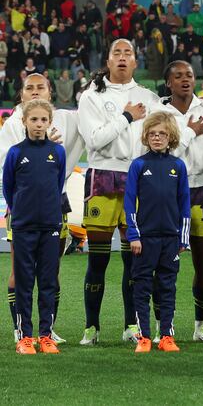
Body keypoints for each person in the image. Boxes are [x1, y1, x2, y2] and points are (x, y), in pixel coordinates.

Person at [77, 39, 159, 346]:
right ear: (108, 61)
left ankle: (130, 324)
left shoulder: (148, 96)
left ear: (136, 62)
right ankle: (91, 327)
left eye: (128, 53)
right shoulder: (91, 96)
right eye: (117, 53)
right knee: (97, 260)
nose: (123, 58)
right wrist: (125, 117)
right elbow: (96, 140)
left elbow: (168, 126)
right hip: (102, 176)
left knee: (133, 260)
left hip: (137, 177)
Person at [0, 73, 84, 345]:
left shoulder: (64, 122)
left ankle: (48, 330)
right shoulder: (11, 126)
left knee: (51, 272)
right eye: (29, 88)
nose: (35, 92)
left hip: (53, 206)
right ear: (21, 95)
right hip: (22, 209)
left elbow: (59, 176)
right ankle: (20, 327)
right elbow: (7, 176)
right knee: (19, 271)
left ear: (50, 93)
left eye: (40, 87)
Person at [150, 61, 203, 342]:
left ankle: (201, 326)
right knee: (164, 264)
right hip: (168, 192)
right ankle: (162, 327)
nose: (185, 80)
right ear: (168, 83)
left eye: (189, 75)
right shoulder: (160, 113)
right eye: (178, 76)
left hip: (202, 188)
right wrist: (189, 131)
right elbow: (164, 149)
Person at [3, 99, 65, 355]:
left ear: (50, 122)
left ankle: (46, 335)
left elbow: (58, 183)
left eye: (43, 120)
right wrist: (22, 211)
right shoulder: (16, 152)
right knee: (25, 283)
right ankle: (25, 337)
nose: (39, 125)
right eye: (34, 120)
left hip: (50, 225)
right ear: (24, 122)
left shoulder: (58, 152)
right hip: (23, 226)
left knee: (48, 282)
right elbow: (8, 188)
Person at [124, 112, 189, 353]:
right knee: (141, 288)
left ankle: (166, 336)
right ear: (146, 137)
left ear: (170, 136)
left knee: (167, 287)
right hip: (145, 239)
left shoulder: (178, 166)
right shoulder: (139, 165)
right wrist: (134, 235)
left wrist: (182, 238)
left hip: (170, 239)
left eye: (162, 134)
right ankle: (144, 336)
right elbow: (129, 202)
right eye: (152, 134)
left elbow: (184, 204)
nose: (157, 138)